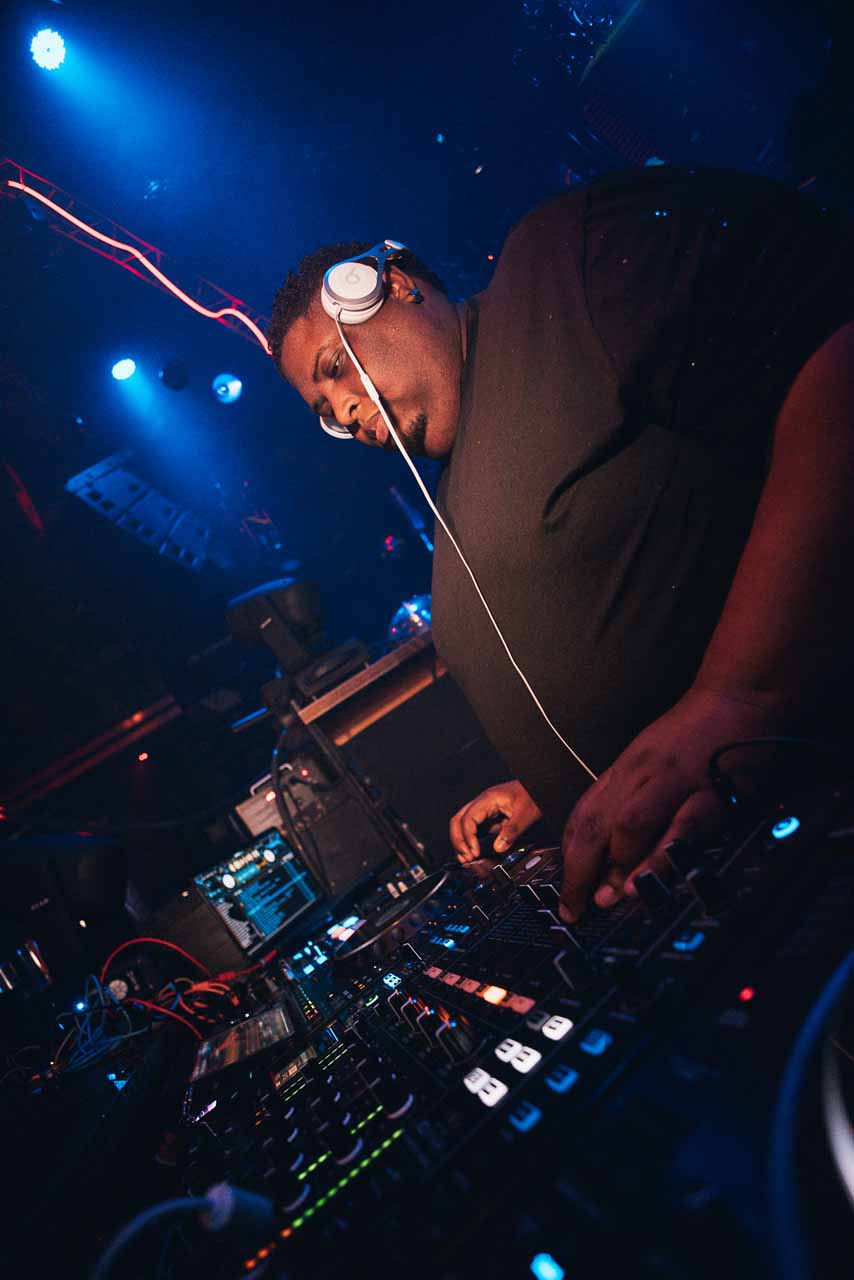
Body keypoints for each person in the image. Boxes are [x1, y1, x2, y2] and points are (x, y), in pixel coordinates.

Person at [270, 164, 854, 924]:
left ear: (394, 288)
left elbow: (830, 349)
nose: (346, 412)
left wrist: (738, 696)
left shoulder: (555, 266)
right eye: (324, 408)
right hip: (691, 884)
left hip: (806, 791)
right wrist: (554, 790)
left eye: (334, 369)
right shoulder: (447, 495)